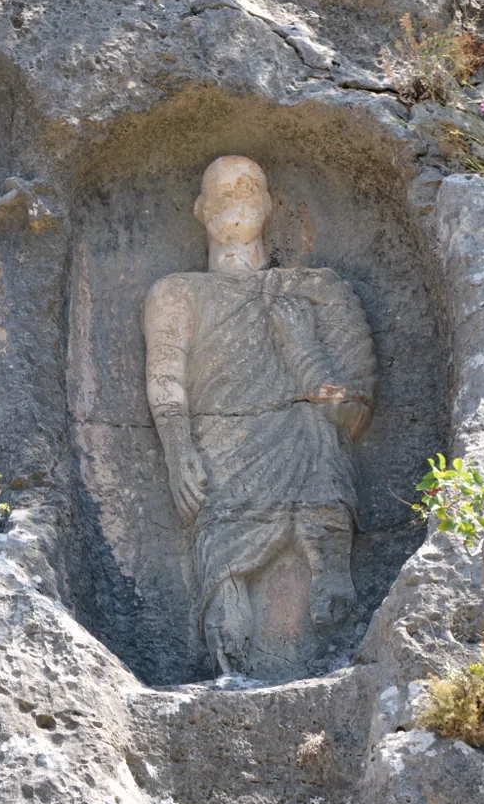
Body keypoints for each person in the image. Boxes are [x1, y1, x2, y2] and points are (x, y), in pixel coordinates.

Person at [143, 155, 377, 674]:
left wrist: (302, 351)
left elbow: (353, 410)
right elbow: (166, 376)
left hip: (309, 455)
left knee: (314, 439)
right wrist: (178, 451)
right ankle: (231, 671)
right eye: (222, 192)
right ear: (200, 209)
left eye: (249, 188)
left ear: (270, 204)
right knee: (222, 565)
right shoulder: (177, 293)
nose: (236, 199)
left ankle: (336, 620)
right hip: (220, 454)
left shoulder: (317, 290)